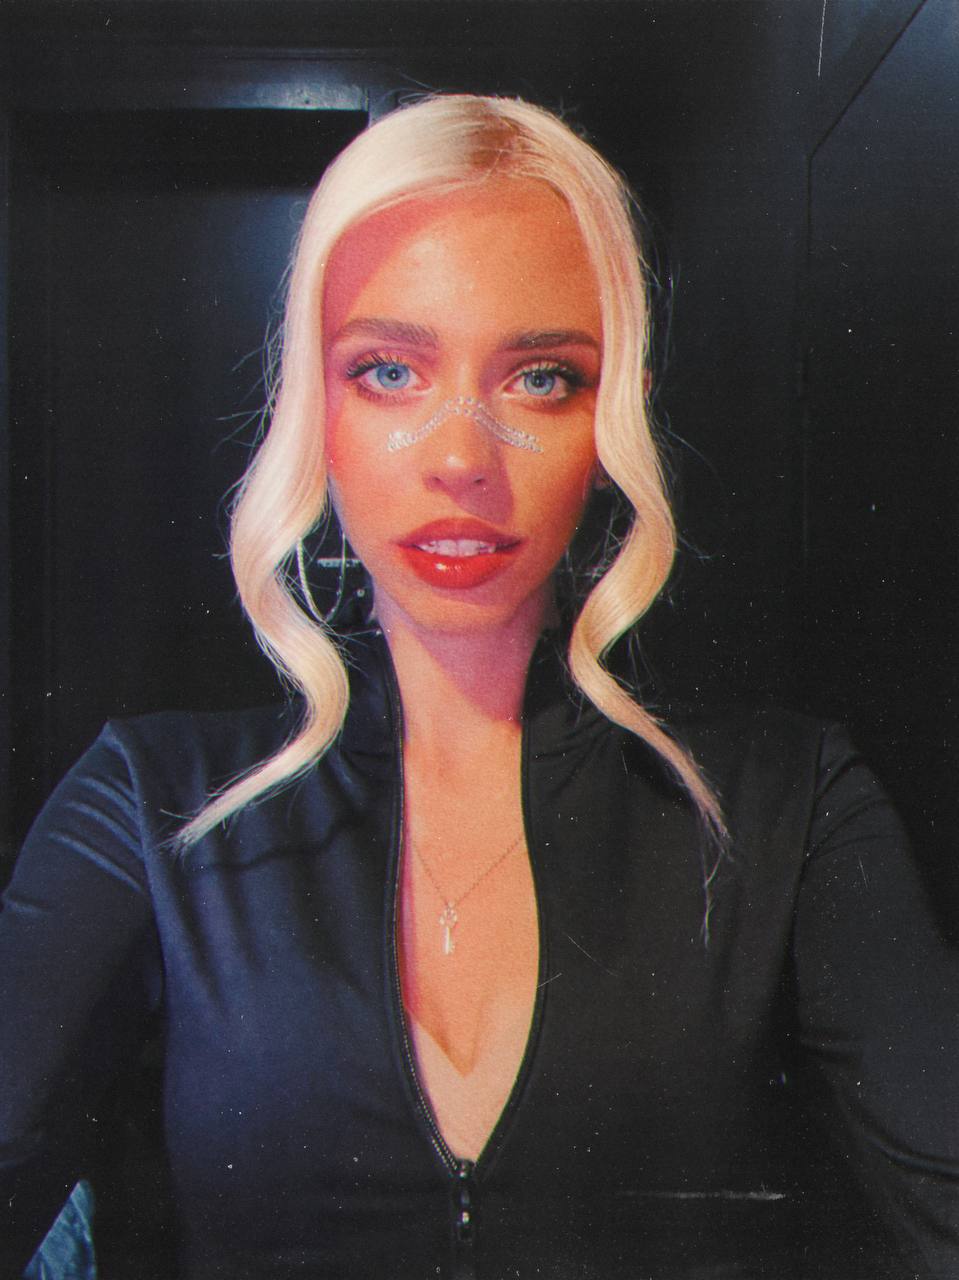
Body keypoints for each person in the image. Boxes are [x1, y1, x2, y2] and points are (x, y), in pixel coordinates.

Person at [1, 94, 957, 1280]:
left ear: (611, 420)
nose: (460, 456)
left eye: (540, 378)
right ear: (316, 411)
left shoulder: (785, 802)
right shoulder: (151, 803)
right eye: (388, 370)